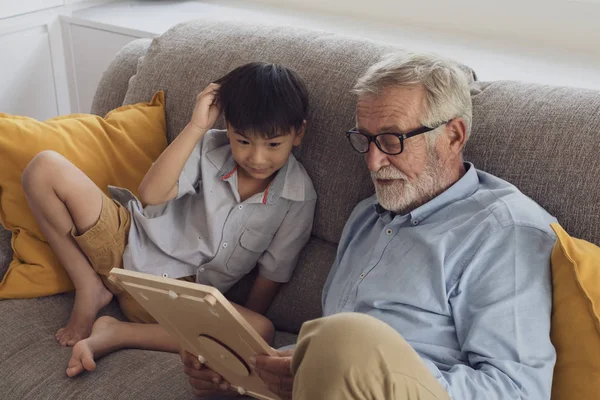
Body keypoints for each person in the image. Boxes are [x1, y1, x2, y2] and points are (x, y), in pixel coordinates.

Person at [182, 52, 557, 400]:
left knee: (345, 336)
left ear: (453, 136)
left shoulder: (504, 232)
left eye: (392, 140)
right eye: (365, 140)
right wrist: (249, 368)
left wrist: (350, 367)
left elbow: (516, 389)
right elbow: (324, 351)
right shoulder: (367, 215)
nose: (374, 162)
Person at [21, 62, 317, 377]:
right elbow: (151, 194)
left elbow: (270, 277)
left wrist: (232, 332)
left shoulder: (298, 198)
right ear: (228, 127)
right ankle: (88, 286)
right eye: (243, 141)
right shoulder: (209, 148)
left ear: (298, 133)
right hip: (127, 242)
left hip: (180, 296)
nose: (257, 158)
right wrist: (196, 126)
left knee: (260, 329)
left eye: (273, 145)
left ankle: (118, 333)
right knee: (43, 167)